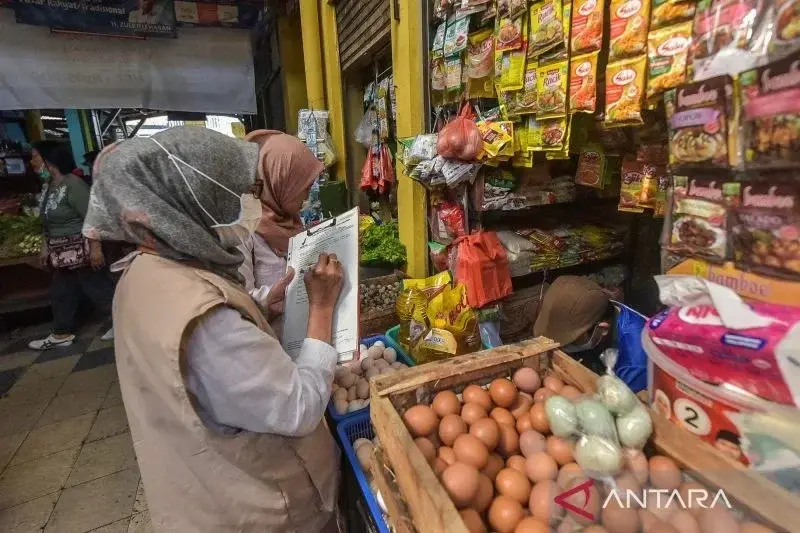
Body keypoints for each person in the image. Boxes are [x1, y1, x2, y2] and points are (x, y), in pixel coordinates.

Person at [83, 127, 342, 533]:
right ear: (196, 204)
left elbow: (206, 367)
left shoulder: (143, 273)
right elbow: (298, 408)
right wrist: (322, 308)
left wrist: (255, 305)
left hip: (197, 487)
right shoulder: (207, 320)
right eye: (241, 193)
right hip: (256, 510)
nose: (251, 205)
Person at [28, 141, 115, 350]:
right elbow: (48, 221)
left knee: (98, 288)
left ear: (49, 161)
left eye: (35, 157)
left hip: (80, 249)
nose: (32, 162)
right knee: (62, 291)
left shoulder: (74, 184)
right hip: (62, 253)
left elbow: (92, 216)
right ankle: (62, 333)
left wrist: (95, 249)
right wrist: (45, 246)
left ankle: (125, 322)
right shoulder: (51, 187)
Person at [236, 130, 324, 308]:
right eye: (303, 187)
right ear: (280, 182)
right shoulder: (242, 230)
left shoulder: (287, 220)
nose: (306, 197)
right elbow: (237, 299)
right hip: (269, 333)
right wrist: (269, 297)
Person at [533, 275, 612, 374]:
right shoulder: (590, 322)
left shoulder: (631, 357)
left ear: (603, 329)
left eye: (571, 341)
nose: (564, 347)